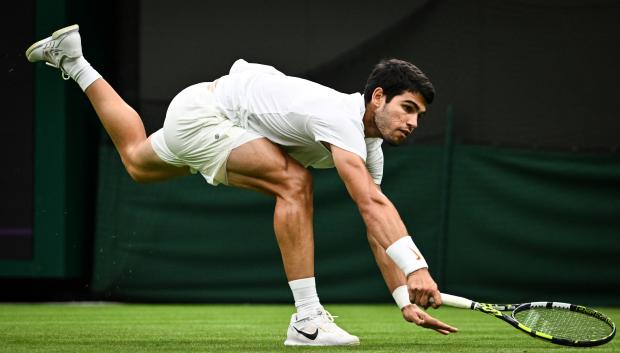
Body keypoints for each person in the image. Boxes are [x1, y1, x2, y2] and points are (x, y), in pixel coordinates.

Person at [26, 24, 458, 346]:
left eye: (419, 116)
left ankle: (73, 59)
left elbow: (377, 229)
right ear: (377, 97)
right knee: (293, 182)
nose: (412, 123)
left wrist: (403, 295)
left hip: (208, 110)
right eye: (407, 108)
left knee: (138, 160)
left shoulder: (369, 148)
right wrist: (418, 267)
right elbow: (371, 205)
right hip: (209, 115)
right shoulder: (339, 118)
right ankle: (307, 320)